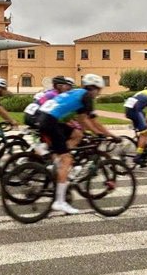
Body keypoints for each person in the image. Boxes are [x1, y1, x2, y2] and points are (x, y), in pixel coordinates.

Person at [38, 74, 117, 214]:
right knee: (67, 159)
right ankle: (59, 202)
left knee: (76, 134)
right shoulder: (87, 96)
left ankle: (56, 163)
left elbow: (82, 120)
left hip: (46, 118)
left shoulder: (79, 93)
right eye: (99, 90)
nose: (98, 93)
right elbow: (93, 121)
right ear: (94, 88)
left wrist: (91, 132)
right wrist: (108, 135)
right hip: (49, 121)